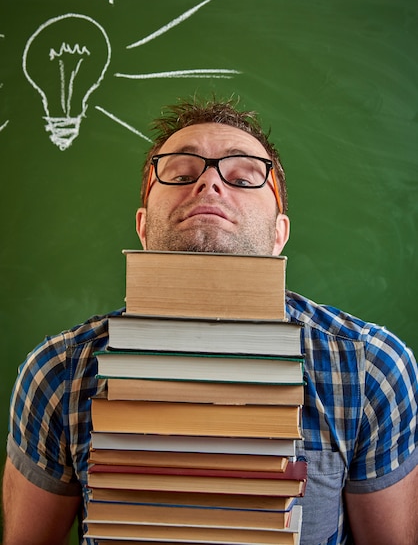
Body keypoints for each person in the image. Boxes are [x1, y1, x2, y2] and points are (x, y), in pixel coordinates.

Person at [2, 97, 417, 545]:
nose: (210, 183)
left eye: (241, 177)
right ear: (142, 227)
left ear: (280, 233)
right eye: (181, 174)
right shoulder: (58, 372)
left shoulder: (369, 367)